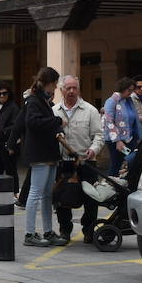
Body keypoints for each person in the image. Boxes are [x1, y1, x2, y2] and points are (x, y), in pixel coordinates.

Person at [52, 75, 103, 245]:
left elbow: (99, 136)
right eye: (68, 88)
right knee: (61, 199)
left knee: (91, 200)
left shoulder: (90, 110)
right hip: (64, 162)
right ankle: (65, 231)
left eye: (75, 88)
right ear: (61, 90)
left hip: (86, 161)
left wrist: (93, 149)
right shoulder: (54, 111)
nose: (72, 91)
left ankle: (89, 231)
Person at [20, 67, 65, 247]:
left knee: (47, 195)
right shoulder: (34, 101)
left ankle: (48, 230)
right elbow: (32, 123)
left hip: (49, 153)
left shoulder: (44, 101)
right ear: (49, 83)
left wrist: (58, 129)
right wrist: (57, 121)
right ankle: (29, 233)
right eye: (54, 84)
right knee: (36, 193)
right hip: (40, 154)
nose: (55, 88)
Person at [102, 77, 141, 177]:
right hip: (116, 141)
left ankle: (124, 184)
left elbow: (134, 120)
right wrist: (117, 141)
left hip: (129, 139)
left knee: (130, 162)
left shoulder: (129, 101)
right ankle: (111, 186)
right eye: (129, 90)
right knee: (116, 164)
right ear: (123, 88)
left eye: (132, 90)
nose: (131, 93)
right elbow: (109, 122)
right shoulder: (111, 101)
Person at [0, 83, 20, 182]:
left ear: (9, 94)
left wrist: (3, 132)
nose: (2, 96)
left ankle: (14, 193)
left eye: (4, 93)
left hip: (7, 144)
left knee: (10, 171)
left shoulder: (13, 107)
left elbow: (15, 126)